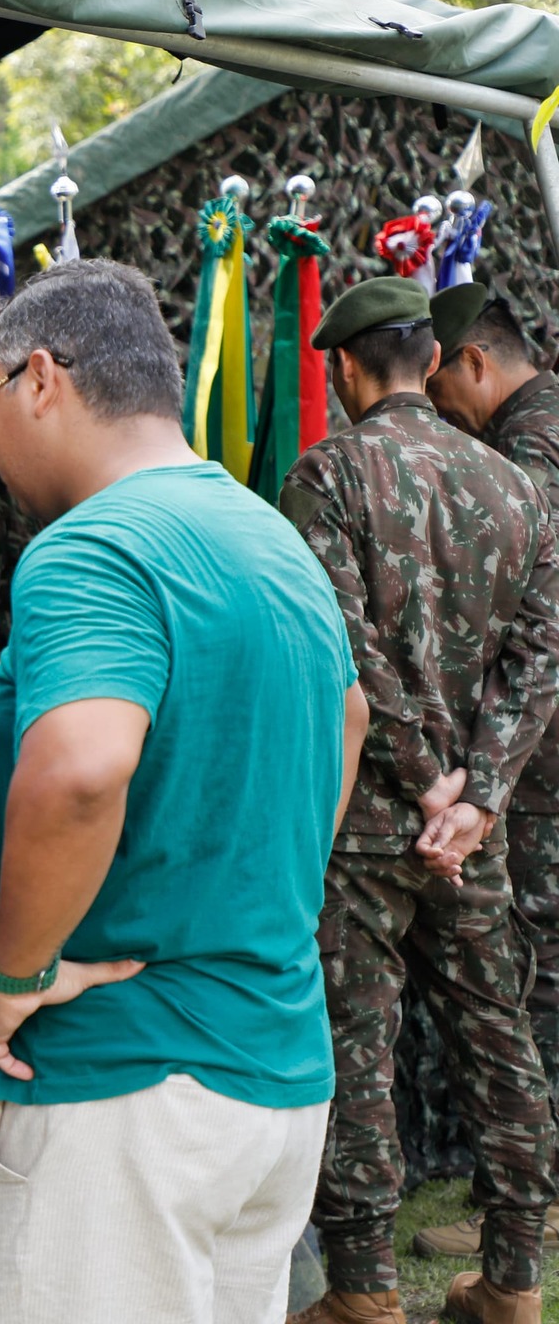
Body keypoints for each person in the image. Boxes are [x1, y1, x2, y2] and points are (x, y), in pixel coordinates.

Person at [0, 259, 362, 1324]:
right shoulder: (273, 538)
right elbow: (351, 718)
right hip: (273, 1075)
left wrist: (17, 966)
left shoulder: (89, 547)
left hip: (121, 1090)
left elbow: (84, 767)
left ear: (41, 377)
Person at [280, 276, 559, 1324]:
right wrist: (478, 794)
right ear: (431, 364)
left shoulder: (327, 474)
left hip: (368, 826)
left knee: (359, 1040)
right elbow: (541, 656)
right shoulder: (515, 486)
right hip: (471, 836)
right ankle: (517, 1280)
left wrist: (424, 774)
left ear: (345, 370)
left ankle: (364, 1295)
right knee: (499, 1035)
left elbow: (338, 650)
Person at [409, 282, 559, 1265]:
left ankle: (527, 1203)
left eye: (443, 385)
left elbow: (536, 610)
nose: (440, 411)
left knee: (534, 961)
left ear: (475, 361)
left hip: (541, 753)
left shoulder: (532, 447)